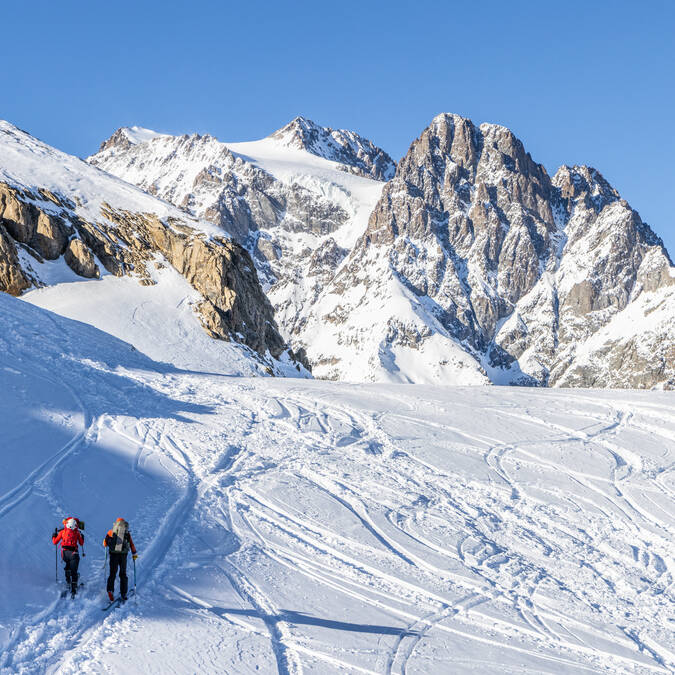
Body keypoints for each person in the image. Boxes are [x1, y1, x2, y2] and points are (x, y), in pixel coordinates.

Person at [103, 517, 137, 601]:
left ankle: (110, 590)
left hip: (113, 555)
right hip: (123, 556)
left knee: (112, 573)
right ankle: (123, 593)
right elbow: (131, 544)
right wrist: (134, 554)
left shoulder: (111, 532)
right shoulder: (126, 532)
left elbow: (105, 543)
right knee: (123, 574)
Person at [52, 517, 84, 596]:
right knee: (74, 571)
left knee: (68, 566)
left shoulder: (62, 532)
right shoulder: (77, 532)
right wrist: (82, 537)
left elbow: (55, 542)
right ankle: (73, 588)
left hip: (65, 554)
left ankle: (68, 581)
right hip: (74, 553)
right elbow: (81, 543)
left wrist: (53, 536)